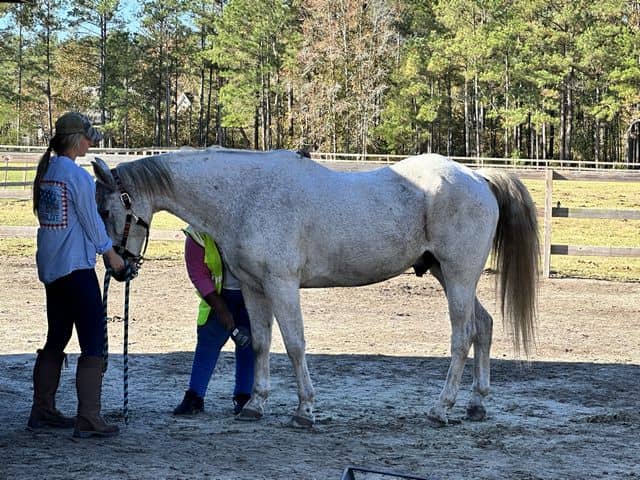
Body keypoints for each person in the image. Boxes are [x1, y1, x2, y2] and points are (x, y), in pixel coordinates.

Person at [29, 111, 126, 438]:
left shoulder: (48, 172)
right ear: (76, 139)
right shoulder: (76, 176)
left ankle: (42, 409)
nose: (91, 142)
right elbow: (90, 221)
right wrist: (111, 255)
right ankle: (88, 417)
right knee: (93, 341)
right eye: (87, 137)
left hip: (53, 268)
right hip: (76, 268)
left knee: (56, 336)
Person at [173, 226, 254, 416]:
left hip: (251, 299)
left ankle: (245, 397)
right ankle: (195, 396)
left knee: (249, 347)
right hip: (217, 297)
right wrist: (220, 307)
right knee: (208, 345)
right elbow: (198, 274)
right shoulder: (197, 234)